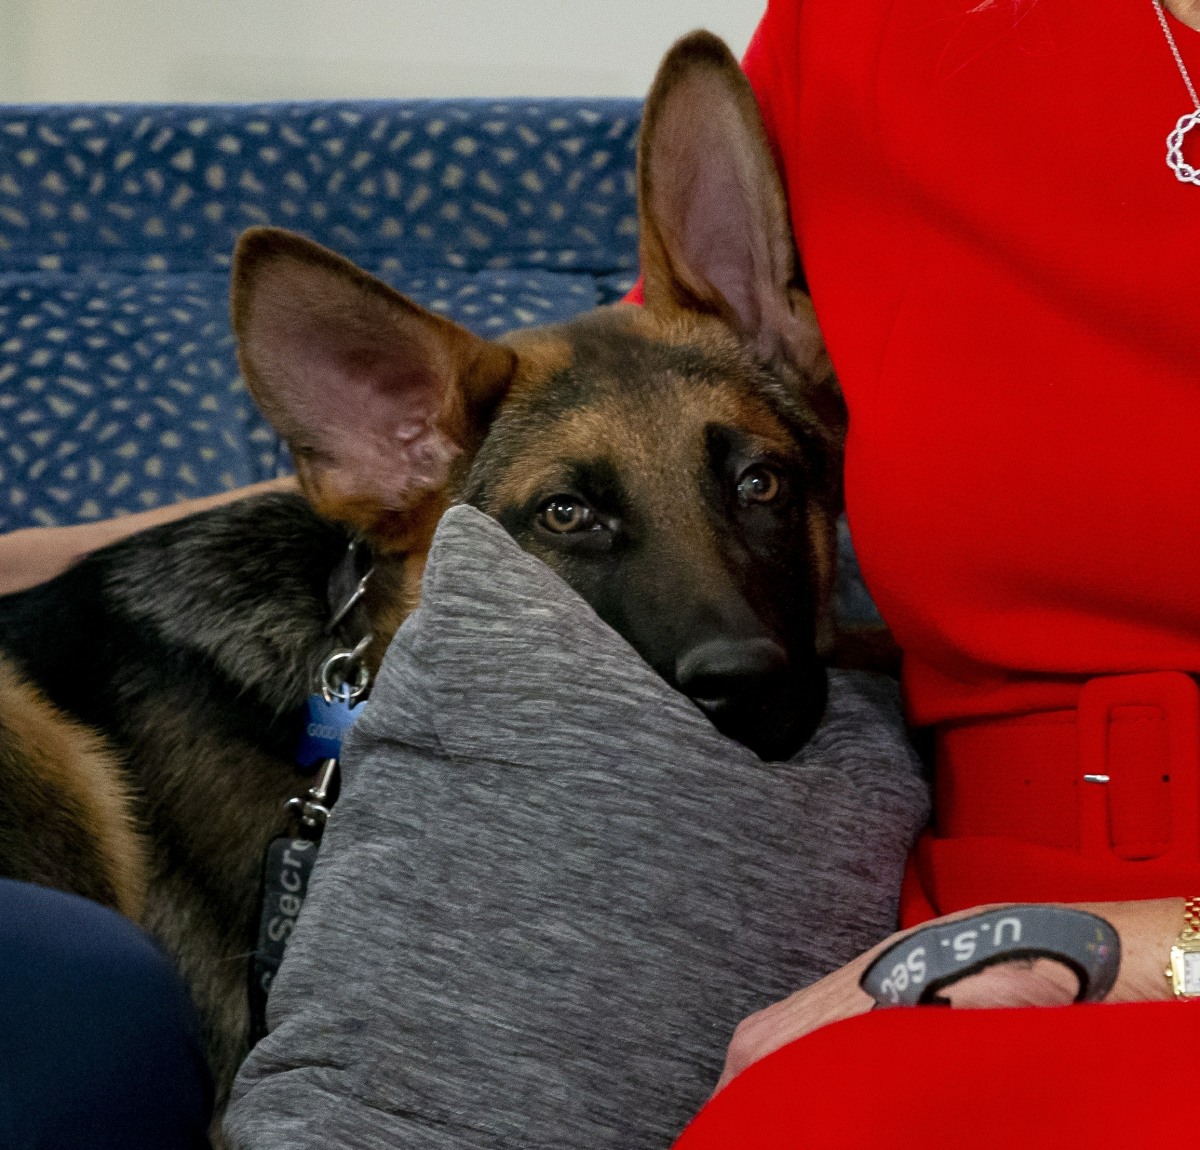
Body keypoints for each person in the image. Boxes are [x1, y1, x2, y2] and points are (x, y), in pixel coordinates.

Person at [646, 0, 1200, 1144]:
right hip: (969, 959)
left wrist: (1130, 948)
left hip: (1049, 959)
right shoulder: (867, 31)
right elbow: (631, 427)